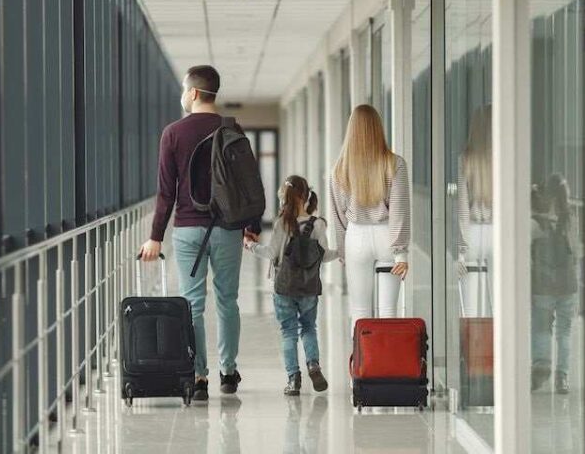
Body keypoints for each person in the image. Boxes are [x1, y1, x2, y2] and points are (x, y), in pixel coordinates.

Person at [140, 65, 260, 402]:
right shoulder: (232, 129)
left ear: (192, 93)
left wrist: (155, 236)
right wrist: (251, 225)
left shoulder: (173, 133)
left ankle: (198, 375)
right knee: (227, 302)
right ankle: (228, 371)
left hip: (188, 230)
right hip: (227, 229)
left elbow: (166, 192)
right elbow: (248, 183)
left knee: (192, 305)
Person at [244, 176, 338, 395]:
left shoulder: (281, 224)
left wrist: (250, 245)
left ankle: (293, 379)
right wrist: (342, 253)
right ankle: (313, 364)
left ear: (284, 198)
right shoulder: (318, 224)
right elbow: (323, 256)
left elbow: (270, 253)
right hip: (309, 288)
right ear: (305, 197)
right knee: (308, 327)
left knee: (288, 332)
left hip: (284, 287)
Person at [330, 104, 410, 328]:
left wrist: (344, 253)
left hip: (355, 237)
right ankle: (388, 360)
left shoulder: (339, 169)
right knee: (389, 311)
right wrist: (401, 253)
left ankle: (362, 361)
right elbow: (399, 211)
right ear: (378, 128)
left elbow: (338, 216)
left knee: (360, 310)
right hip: (388, 237)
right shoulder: (395, 164)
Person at [530, 174, 579, 394]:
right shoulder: (570, 217)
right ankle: (563, 377)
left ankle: (541, 366)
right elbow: (578, 248)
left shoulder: (538, 219)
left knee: (542, 328)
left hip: (543, 284)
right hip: (567, 284)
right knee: (564, 332)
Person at [457, 104, 493, 317]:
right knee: (501, 305)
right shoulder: (504, 158)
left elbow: (462, 207)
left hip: (472, 234)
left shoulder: (465, 159)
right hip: (498, 234)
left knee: (470, 310)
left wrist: (461, 249)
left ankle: (473, 349)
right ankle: (500, 349)